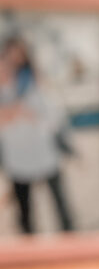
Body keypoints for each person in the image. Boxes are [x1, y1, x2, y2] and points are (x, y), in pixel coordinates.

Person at [0, 37, 74, 234]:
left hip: (44, 152)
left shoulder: (33, 82)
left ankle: (71, 240)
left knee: (61, 206)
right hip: (17, 159)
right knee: (25, 211)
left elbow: (50, 117)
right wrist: (16, 111)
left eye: (19, 56)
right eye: (9, 57)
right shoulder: (5, 87)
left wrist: (19, 112)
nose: (13, 62)